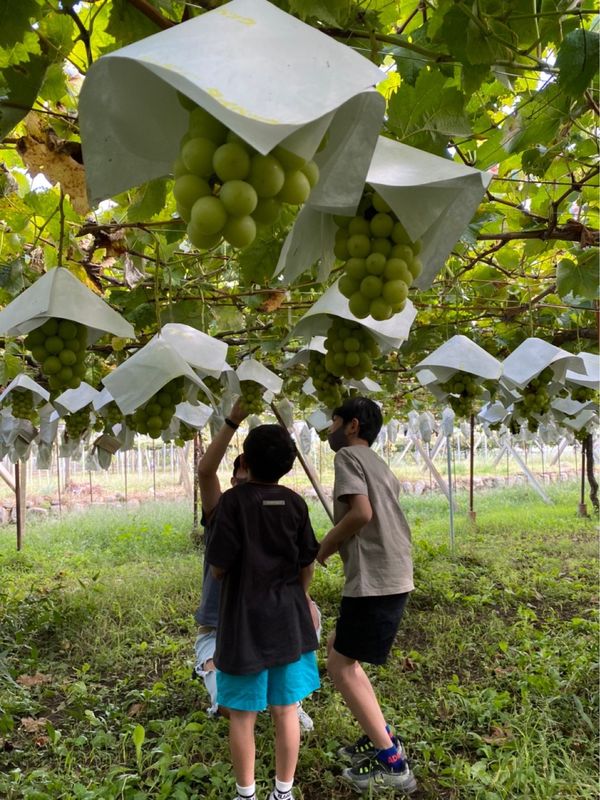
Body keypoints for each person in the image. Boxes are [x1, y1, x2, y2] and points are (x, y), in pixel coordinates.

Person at [206, 424, 321, 800]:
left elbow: (219, 566)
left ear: (246, 460)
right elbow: (307, 562)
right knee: (287, 710)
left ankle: (246, 793)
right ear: (288, 464)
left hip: (243, 624)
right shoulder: (295, 503)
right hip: (288, 621)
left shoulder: (233, 503)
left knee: (242, 715)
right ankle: (283, 792)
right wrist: (299, 596)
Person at [194, 400, 316, 731]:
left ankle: (288, 700)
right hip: (224, 627)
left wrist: (303, 599)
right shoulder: (223, 509)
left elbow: (303, 565)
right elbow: (206, 471)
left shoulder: (283, 509)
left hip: (271, 618)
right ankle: (268, 697)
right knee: (232, 706)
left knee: (277, 698)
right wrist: (232, 420)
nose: (249, 489)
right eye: (239, 481)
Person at [317, 396, 417, 795]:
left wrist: (322, 549)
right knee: (341, 652)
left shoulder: (348, 458)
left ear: (352, 426)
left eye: (334, 421)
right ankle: (380, 733)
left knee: (340, 666)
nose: (329, 429)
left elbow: (361, 514)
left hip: (375, 578)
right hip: (394, 572)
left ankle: (392, 763)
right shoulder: (379, 463)